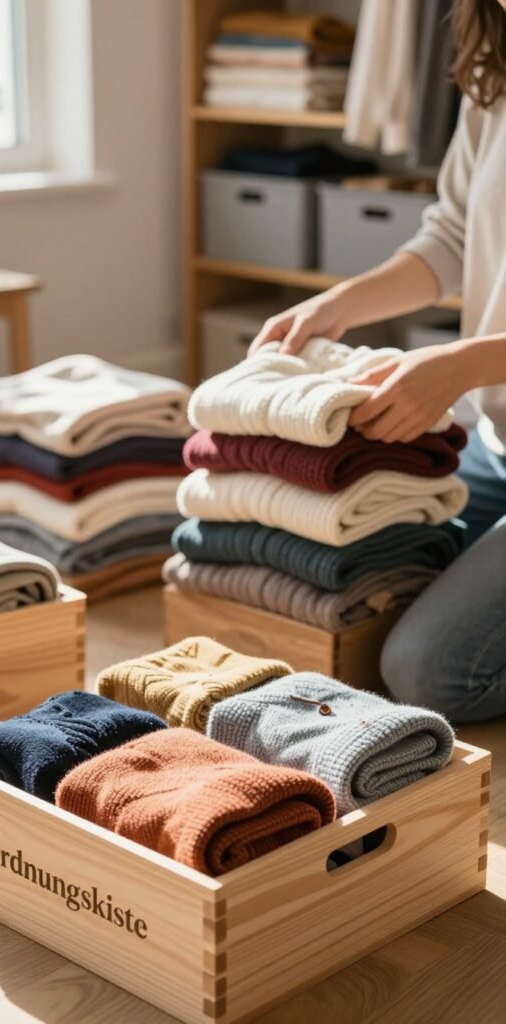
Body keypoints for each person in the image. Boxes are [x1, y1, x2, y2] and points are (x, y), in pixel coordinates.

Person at [248, 0, 506, 723]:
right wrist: (339, 304)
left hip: (481, 395)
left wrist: (460, 366)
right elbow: (452, 236)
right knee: (330, 573)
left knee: (432, 670)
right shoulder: (495, 74)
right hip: (495, 442)